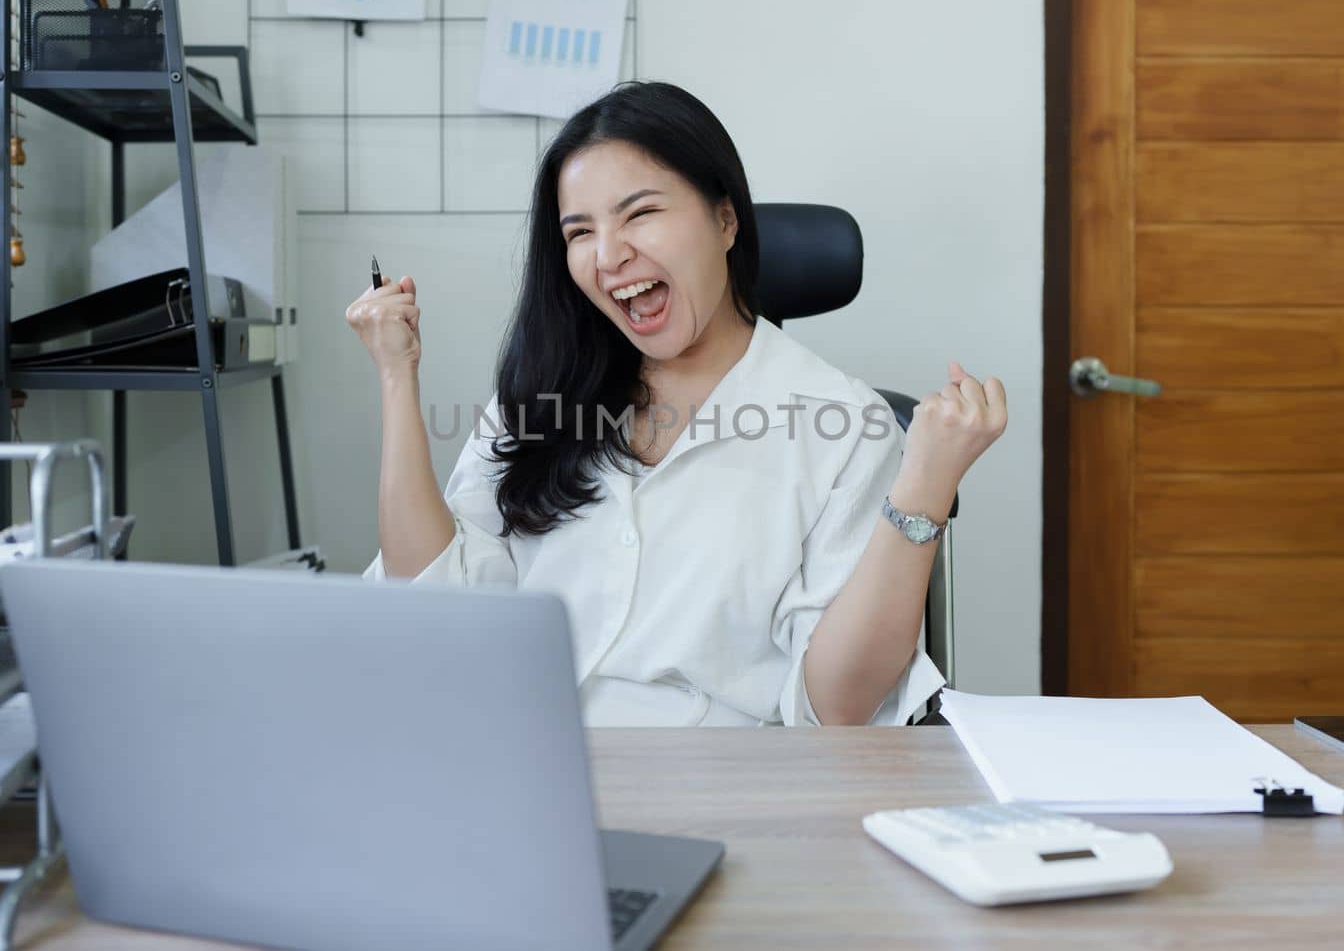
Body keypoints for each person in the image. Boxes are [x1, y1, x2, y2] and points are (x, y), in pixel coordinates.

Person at [348, 81, 1007, 727]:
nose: (609, 256)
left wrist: (924, 487)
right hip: (524, 756)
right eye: (580, 231)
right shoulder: (541, 394)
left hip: (719, 787)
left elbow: (837, 705)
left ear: (725, 218)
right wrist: (397, 377)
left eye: (639, 213)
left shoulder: (845, 425)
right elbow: (431, 599)